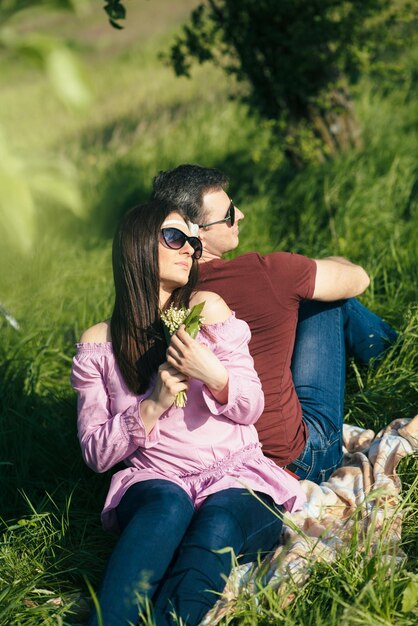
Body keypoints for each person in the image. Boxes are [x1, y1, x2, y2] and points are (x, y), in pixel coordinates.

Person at [71, 200, 306, 626]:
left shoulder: (209, 309)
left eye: (194, 243)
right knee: (167, 504)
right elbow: (95, 453)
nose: (190, 250)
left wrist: (213, 375)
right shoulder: (100, 344)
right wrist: (152, 404)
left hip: (236, 475)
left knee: (219, 520)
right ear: (137, 245)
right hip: (156, 478)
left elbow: (251, 406)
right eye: (175, 237)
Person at [152, 164, 398, 484]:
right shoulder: (266, 273)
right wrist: (322, 263)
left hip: (220, 463)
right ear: (194, 233)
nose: (240, 215)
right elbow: (358, 278)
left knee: (297, 298)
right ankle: (395, 355)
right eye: (228, 214)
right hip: (298, 460)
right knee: (326, 298)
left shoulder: (157, 293)